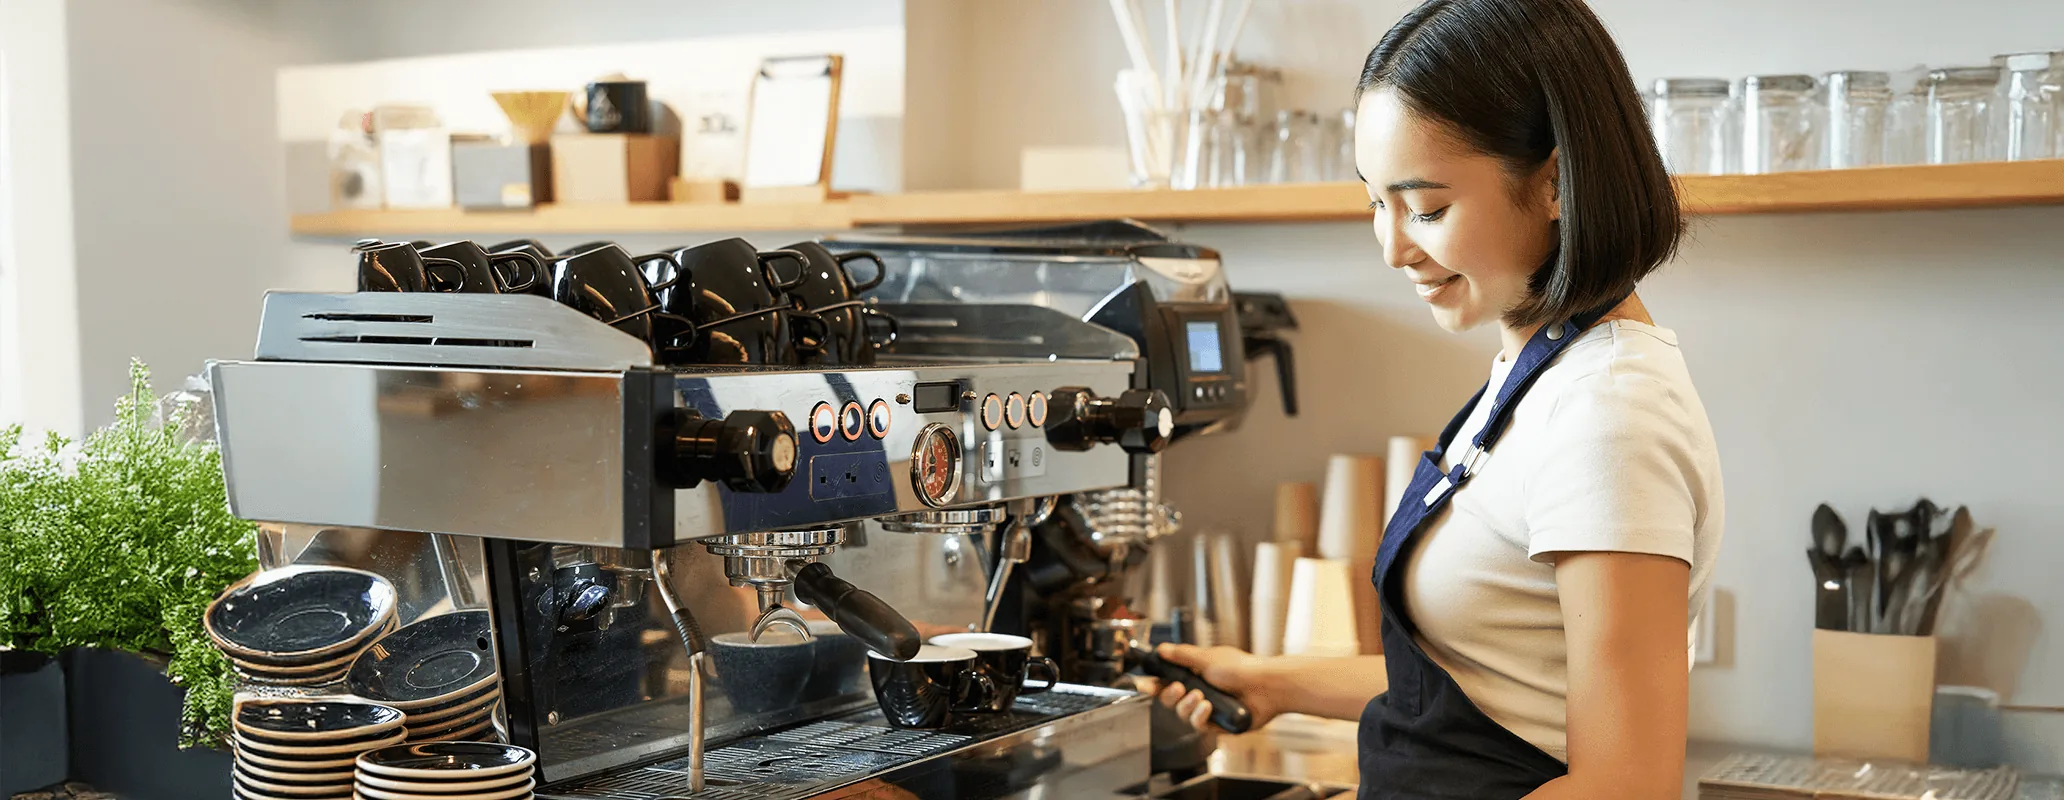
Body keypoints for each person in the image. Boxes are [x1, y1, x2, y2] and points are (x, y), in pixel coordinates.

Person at [1145, 1, 1724, 798]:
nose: (1391, 247)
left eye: (1426, 208)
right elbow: (1490, 675)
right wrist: (1274, 682)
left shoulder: (1608, 414)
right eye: (1375, 202)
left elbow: (1624, 785)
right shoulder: (1540, 369)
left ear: (1555, 182)